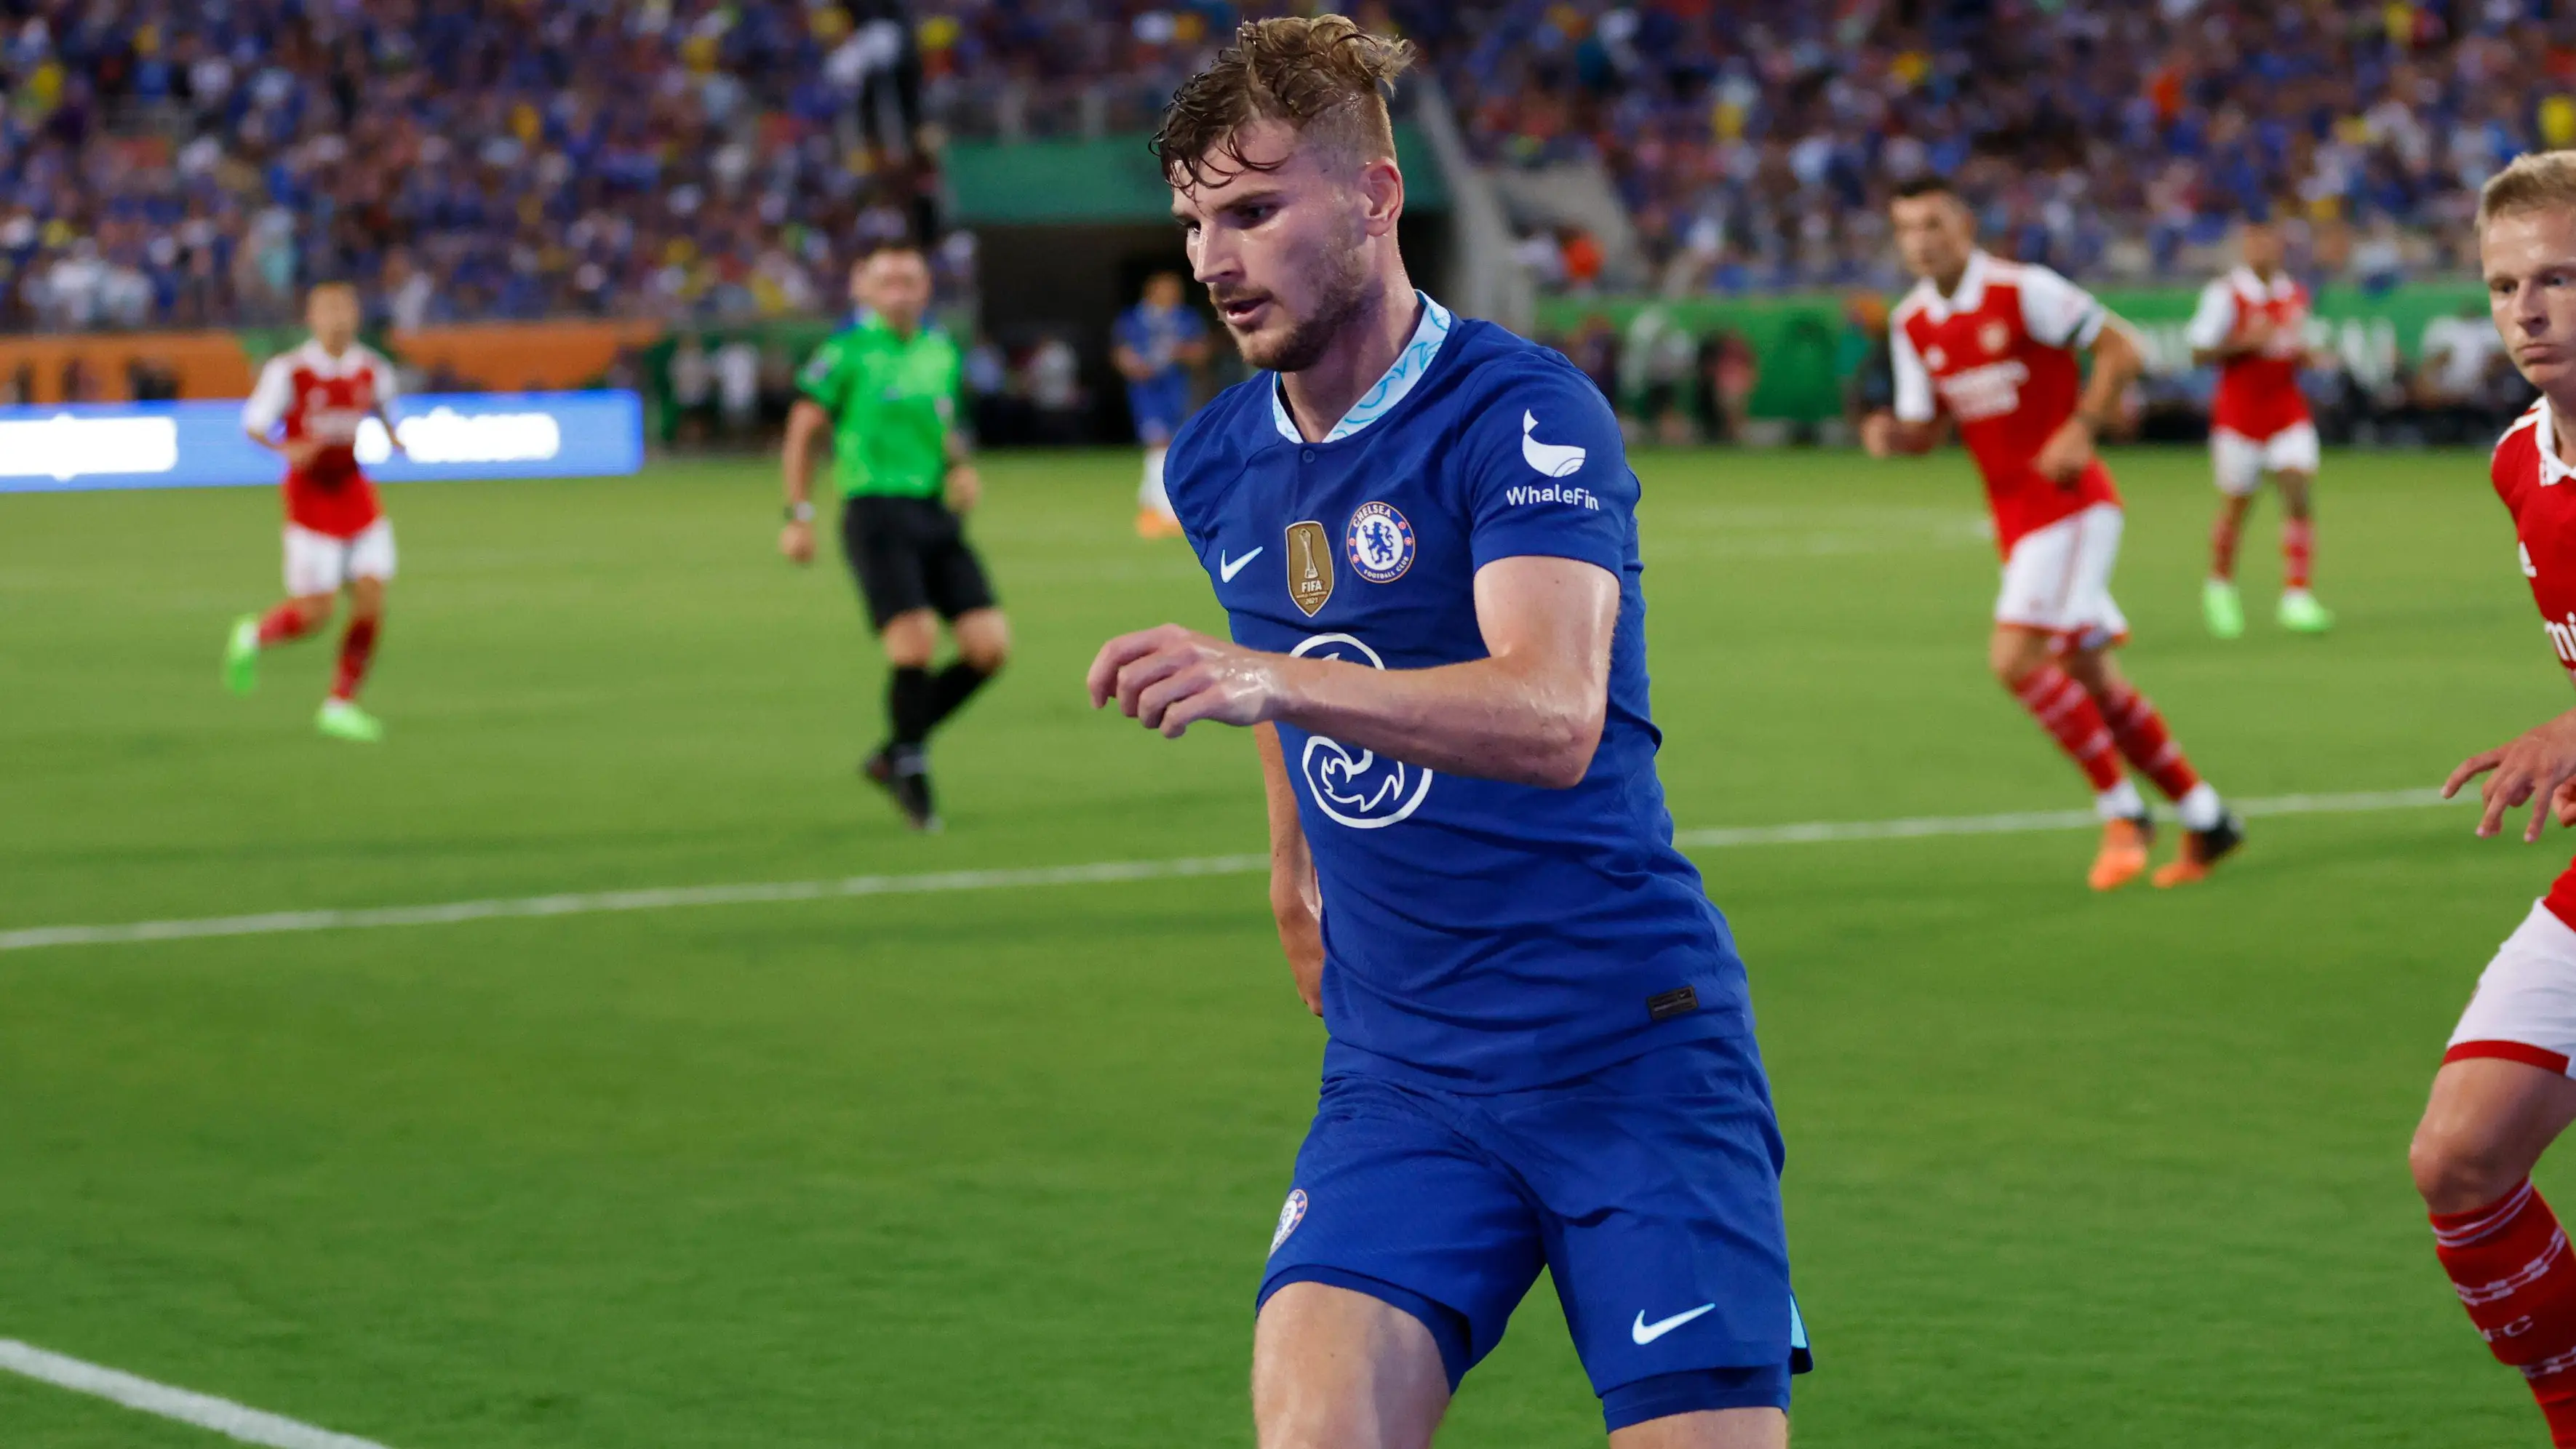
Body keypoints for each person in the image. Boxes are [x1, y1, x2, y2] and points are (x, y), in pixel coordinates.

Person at [1087, 19, 1806, 1448]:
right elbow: (1280, 689)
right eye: (1192, 223)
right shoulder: (1219, 457)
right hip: (1403, 1073)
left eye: (1251, 211)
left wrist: (1271, 683)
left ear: (1373, 192)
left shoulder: (1523, 414)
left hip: (1626, 1049)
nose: (1213, 262)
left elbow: (1549, 714)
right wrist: (1288, 871)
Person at [1862, 176, 2243, 890]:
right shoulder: (1910, 322)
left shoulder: (2021, 288)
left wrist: (2081, 426)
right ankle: (2207, 816)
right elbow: (1928, 430)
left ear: (1964, 225)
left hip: (2070, 502)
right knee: (2092, 678)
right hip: (2016, 518)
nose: (1920, 241)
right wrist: (1893, 436)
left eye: (1933, 224)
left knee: (2012, 659)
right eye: (1906, 228)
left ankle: (2123, 810)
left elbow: (2121, 348)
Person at [2412, 149, 2576, 1449]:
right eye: (2507, 283)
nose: (2530, 307)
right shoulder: (2518, 461)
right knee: (2460, 1160)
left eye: (2561, 276)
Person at [781, 243, 1008, 831]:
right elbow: (802, 429)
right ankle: (909, 763)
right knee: (914, 642)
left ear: (926, 287)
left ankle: (894, 750)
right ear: (865, 288)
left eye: (910, 279)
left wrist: (958, 467)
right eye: (888, 280)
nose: (900, 289)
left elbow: (944, 423)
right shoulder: (846, 351)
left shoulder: (939, 351)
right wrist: (798, 514)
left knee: (988, 647)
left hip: (932, 510)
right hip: (874, 509)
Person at [221, 280, 404, 743]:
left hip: (355, 490)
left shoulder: (373, 369)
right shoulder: (291, 371)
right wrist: (288, 449)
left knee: (372, 597)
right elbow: (253, 425)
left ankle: (340, 703)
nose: (338, 318)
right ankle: (253, 636)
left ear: (357, 316)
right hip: (310, 498)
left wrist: (395, 437)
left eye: (345, 309)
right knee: (316, 612)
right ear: (312, 319)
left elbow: (383, 410)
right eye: (329, 310)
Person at [2186, 214, 2332, 637]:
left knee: (2298, 489)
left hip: (2286, 409)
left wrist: (2308, 355)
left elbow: (2290, 345)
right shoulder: (2225, 295)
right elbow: (2197, 351)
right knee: (2237, 506)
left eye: (2269, 241)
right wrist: (2244, 344)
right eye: (2254, 242)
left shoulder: (2294, 294)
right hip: (2239, 416)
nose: (2262, 249)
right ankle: (2220, 586)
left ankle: (2297, 595)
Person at [1114, 270, 1211, 539]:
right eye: (1169, 289)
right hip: (1148, 393)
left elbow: (1201, 352)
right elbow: (1121, 353)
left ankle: (1149, 507)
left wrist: (1182, 353)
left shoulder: (1185, 318)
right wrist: (1135, 365)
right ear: (1153, 291)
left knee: (1176, 446)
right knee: (1158, 444)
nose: (1174, 295)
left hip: (1178, 389)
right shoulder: (1135, 319)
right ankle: (1167, 513)